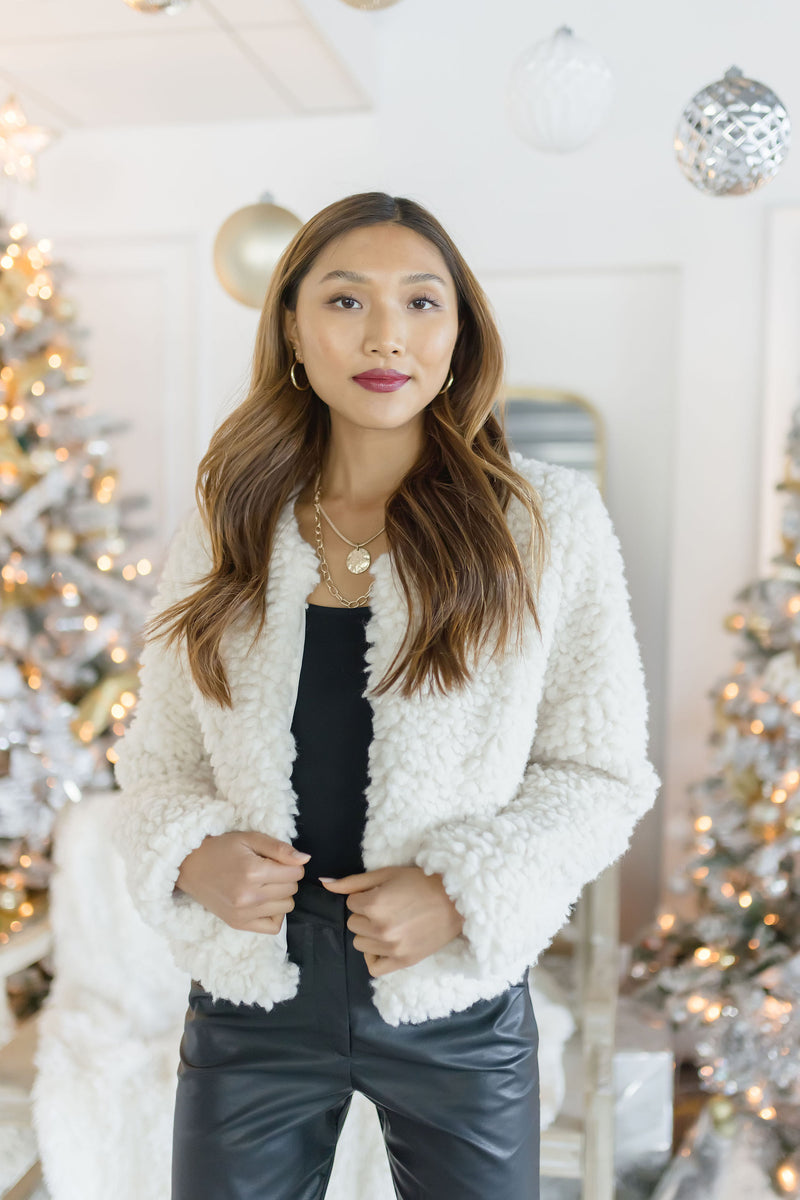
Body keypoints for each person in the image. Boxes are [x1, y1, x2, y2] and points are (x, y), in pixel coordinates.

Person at [110, 191, 661, 1200]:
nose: (385, 336)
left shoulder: (544, 525)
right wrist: (191, 853)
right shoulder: (229, 520)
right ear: (292, 329)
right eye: (345, 300)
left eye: (420, 301)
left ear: (458, 333)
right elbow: (157, 761)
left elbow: (600, 773)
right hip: (252, 998)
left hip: (453, 1000)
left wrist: (460, 892)